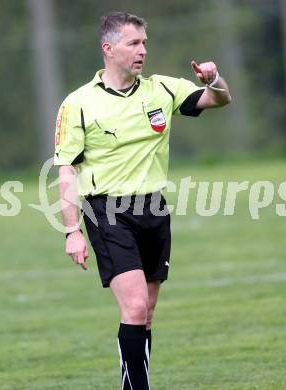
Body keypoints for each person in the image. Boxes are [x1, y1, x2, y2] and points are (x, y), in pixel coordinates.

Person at [54, 11, 231, 390]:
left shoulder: (162, 89)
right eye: (133, 43)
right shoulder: (79, 103)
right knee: (133, 308)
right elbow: (66, 169)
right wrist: (72, 230)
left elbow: (220, 100)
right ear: (109, 48)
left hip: (153, 209)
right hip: (106, 211)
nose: (142, 51)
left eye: (144, 43)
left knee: (146, 314)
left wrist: (213, 79)